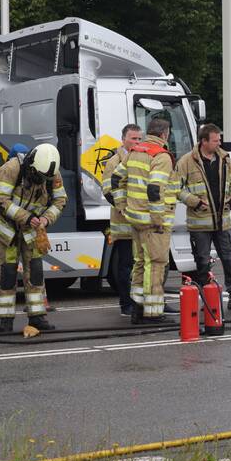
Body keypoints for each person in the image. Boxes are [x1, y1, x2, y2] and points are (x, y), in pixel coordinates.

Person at [0, 143, 67, 333]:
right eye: (38, 176)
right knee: (7, 273)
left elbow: (60, 200)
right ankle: (5, 321)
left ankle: (37, 317)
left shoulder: (52, 173)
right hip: (7, 229)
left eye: (44, 178)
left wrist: (46, 219)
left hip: (32, 229)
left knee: (35, 272)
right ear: (31, 165)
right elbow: (1, 200)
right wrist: (27, 217)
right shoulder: (10, 169)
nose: (41, 181)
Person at [113, 117, 177, 325]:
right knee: (156, 264)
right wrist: (158, 220)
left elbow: (116, 179)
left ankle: (137, 310)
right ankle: (153, 312)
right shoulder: (161, 156)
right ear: (164, 134)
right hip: (153, 222)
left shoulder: (135, 152)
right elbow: (154, 189)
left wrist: (123, 205)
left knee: (140, 264)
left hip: (135, 219)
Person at [176, 123, 231, 310]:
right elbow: (176, 189)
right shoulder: (186, 162)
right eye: (215, 140)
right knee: (203, 263)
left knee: (230, 260)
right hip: (200, 224)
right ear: (204, 141)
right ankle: (207, 300)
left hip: (223, 222)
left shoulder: (225, 159)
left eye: (219, 139)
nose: (219, 143)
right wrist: (194, 202)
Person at [101, 123, 143, 317]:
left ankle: (142, 303)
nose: (137, 142)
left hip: (142, 224)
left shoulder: (142, 158)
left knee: (143, 266)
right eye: (133, 138)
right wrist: (125, 208)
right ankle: (126, 304)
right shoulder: (114, 161)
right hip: (124, 224)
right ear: (123, 139)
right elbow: (108, 191)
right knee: (125, 266)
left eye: (139, 138)